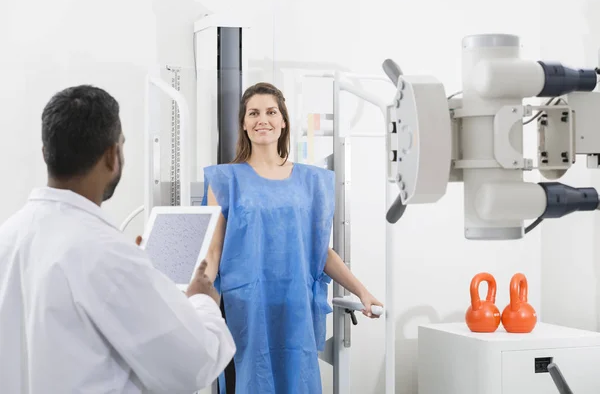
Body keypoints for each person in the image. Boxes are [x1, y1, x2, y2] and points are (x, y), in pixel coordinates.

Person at [0, 85, 236, 393]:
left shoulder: (10, 235)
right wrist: (202, 299)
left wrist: (139, 274)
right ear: (113, 155)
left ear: (46, 153)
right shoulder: (107, 254)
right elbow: (193, 366)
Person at [201, 82, 383, 393]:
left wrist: (362, 291)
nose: (263, 120)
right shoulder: (226, 181)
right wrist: (195, 304)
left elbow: (320, 252)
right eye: (254, 113)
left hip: (295, 306)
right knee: (250, 379)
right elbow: (213, 253)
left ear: (283, 121)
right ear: (244, 124)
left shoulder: (310, 182)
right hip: (247, 310)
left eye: (271, 112)